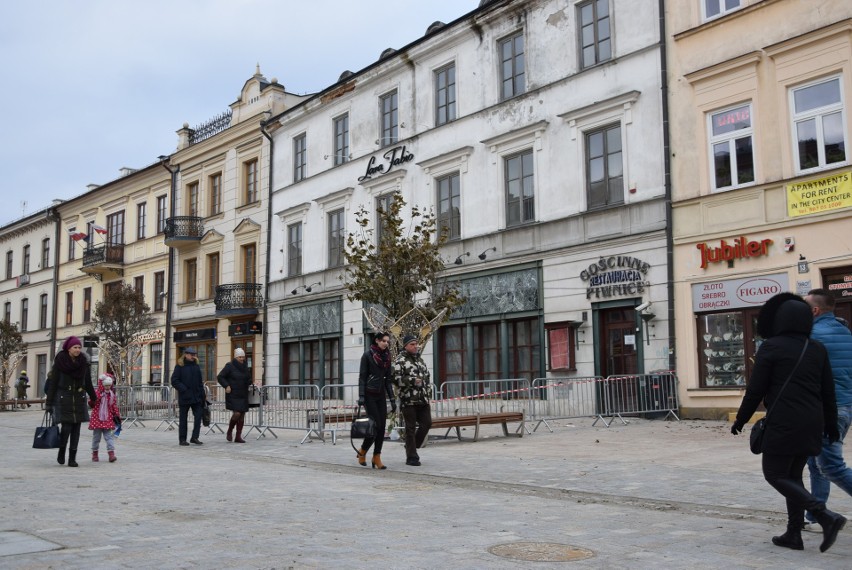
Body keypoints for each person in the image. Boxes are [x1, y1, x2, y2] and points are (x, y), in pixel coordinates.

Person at [731, 293, 846, 552]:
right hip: (812, 421)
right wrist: (830, 425)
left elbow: (756, 390)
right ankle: (794, 534)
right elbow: (827, 391)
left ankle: (825, 515)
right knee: (793, 476)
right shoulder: (816, 348)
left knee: (774, 474)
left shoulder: (771, 347)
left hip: (784, 421)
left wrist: (742, 418)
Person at [803, 288, 852, 531]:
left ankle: (818, 516)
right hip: (844, 406)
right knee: (816, 462)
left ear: (815, 310)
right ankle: (815, 516)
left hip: (824, 409)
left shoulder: (812, 335)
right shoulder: (845, 332)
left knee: (831, 465)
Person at [45, 336, 97, 467]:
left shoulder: (83, 363)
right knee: (66, 428)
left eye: (79, 347)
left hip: (79, 398)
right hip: (64, 399)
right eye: (75, 347)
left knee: (76, 430)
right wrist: (49, 403)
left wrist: (94, 398)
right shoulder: (60, 363)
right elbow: (53, 384)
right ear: (68, 348)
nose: (78, 350)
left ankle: (72, 458)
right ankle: (62, 451)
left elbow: (88, 383)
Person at [356, 332, 396, 469]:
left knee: (382, 427)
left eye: (387, 341)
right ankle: (363, 451)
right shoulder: (367, 355)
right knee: (376, 426)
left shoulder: (387, 357)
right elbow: (362, 377)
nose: (386, 343)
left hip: (381, 395)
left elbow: (388, 380)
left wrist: (392, 398)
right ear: (377, 341)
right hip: (369, 395)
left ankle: (376, 456)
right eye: (384, 341)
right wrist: (361, 396)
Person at [392, 334, 432, 467]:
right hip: (408, 400)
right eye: (412, 344)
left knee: (427, 424)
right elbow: (396, 379)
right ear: (405, 346)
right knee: (410, 428)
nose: (415, 346)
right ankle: (412, 457)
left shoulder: (420, 360)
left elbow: (427, 378)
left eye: (416, 344)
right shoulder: (400, 360)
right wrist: (412, 381)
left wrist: (428, 393)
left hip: (423, 399)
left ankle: (411, 445)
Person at [217, 348, 254, 443]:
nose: (242, 359)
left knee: (242, 415)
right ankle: (230, 430)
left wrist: (251, 382)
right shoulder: (229, 366)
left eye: (243, 357)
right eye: (240, 357)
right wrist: (226, 386)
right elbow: (220, 377)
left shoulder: (245, 366)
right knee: (237, 413)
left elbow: (248, 378)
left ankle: (238, 436)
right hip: (233, 393)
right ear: (236, 357)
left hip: (243, 393)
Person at [171, 346, 206, 446]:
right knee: (183, 419)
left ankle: (194, 437)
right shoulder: (179, 366)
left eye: (194, 355)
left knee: (198, 416)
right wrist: (184, 389)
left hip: (196, 397)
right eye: (191, 355)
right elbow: (174, 380)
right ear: (186, 355)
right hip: (185, 397)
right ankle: (182, 439)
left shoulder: (196, 366)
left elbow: (200, 382)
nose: (193, 356)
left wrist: (202, 394)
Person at [89, 373, 121, 462]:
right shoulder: (98, 393)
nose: (107, 387)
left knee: (108, 437)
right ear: (102, 385)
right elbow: (92, 403)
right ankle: (94, 454)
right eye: (106, 385)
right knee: (96, 438)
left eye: (109, 386)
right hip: (97, 418)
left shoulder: (111, 394)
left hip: (108, 418)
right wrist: (97, 396)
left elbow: (113, 405)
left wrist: (117, 415)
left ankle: (111, 454)